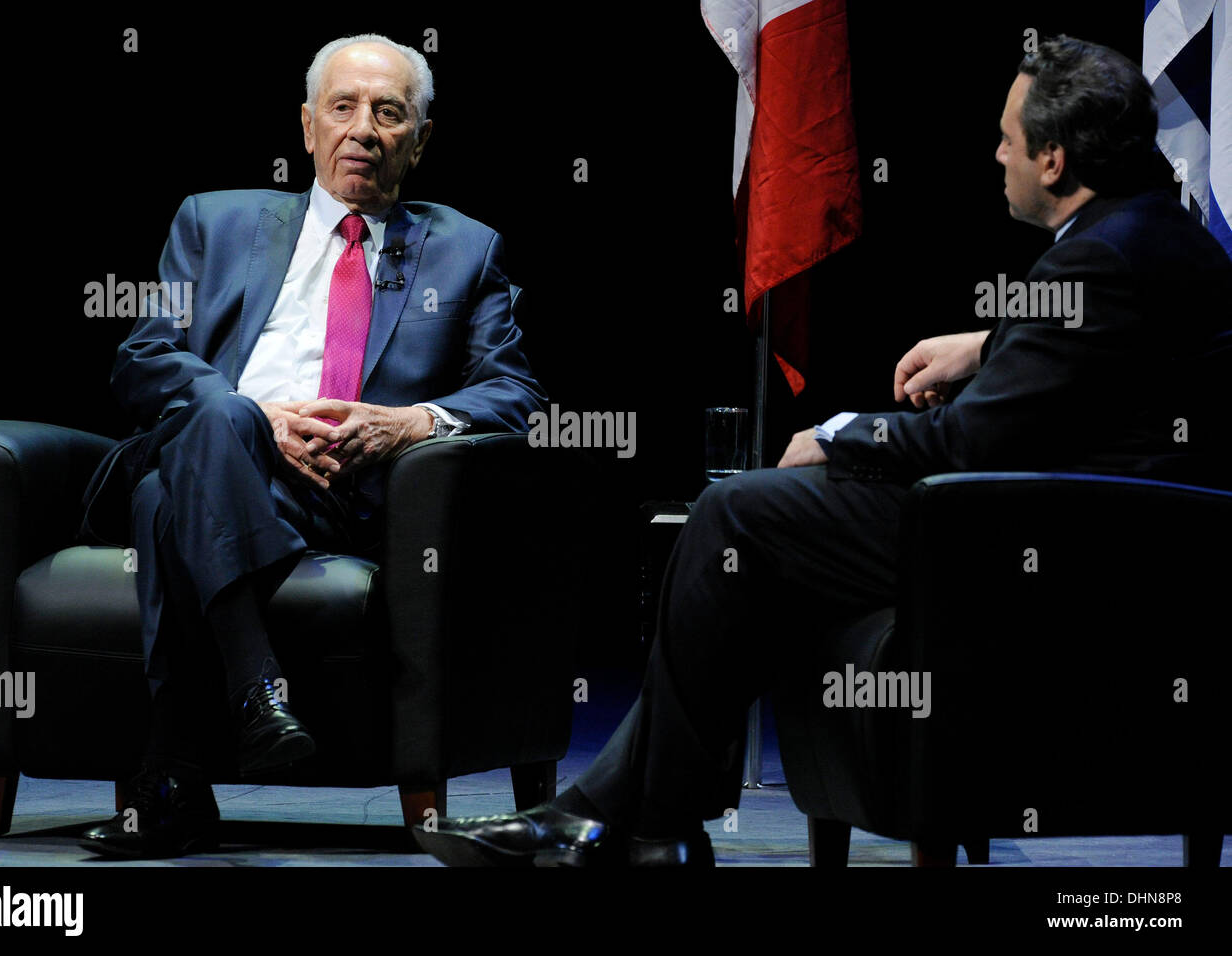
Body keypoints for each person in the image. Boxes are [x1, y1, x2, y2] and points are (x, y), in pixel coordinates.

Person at [413, 34, 1232, 866]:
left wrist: (843, 434)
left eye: (1007, 138)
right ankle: (637, 820)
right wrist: (989, 344)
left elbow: (969, 439)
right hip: (1100, 536)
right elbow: (1094, 364)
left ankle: (630, 820)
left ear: (1052, 159)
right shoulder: (1151, 236)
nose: (996, 154)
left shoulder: (1099, 261)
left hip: (1062, 556)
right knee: (759, 538)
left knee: (739, 513)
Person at [78, 34, 546, 858]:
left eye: (388, 112)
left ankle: (175, 783)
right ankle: (258, 689)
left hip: (343, 497)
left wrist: (412, 422)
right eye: (343, 107)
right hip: (218, 453)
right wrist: (259, 415)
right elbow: (144, 355)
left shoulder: (466, 250)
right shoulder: (214, 221)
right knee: (219, 423)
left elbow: (515, 394)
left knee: (165, 502)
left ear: (421, 137)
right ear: (306, 126)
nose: (363, 129)